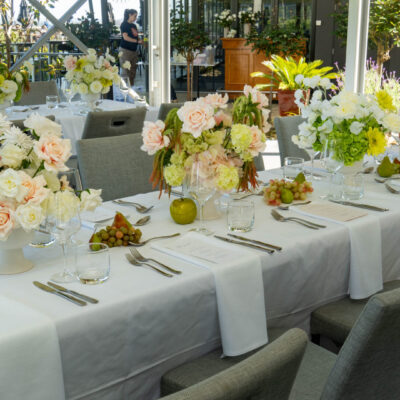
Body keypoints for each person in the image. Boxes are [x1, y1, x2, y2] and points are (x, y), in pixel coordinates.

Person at [119, 9, 141, 86]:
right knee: (125, 72)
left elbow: (136, 37)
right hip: (125, 51)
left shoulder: (134, 26)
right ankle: (124, 91)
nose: (136, 18)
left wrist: (140, 41)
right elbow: (125, 37)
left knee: (133, 71)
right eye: (135, 16)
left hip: (134, 51)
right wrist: (136, 41)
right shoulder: (124, 24)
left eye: (136, 16)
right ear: (129, 15)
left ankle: (131, 89)